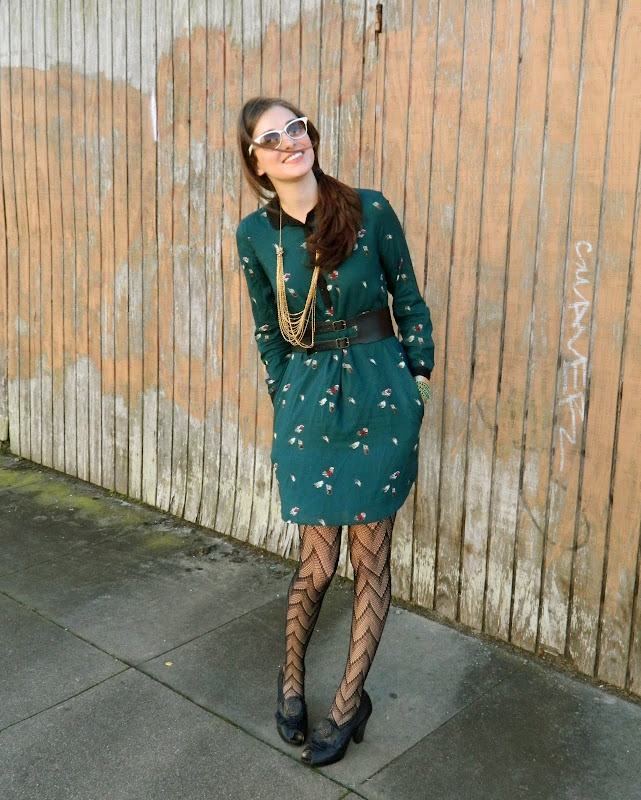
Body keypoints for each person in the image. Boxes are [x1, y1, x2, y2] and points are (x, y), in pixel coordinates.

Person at [236, 96, 434, 767]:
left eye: (296, 128)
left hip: (380, 394)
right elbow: (269, 330)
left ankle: (349, 703)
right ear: (257, 161)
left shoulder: (368, 210)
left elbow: (408, 301)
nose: (289, 141)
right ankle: (291, 681)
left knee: (369, 558)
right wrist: (285, 395)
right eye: (272, 138)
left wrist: (417, 385)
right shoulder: (254, 235)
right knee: (318, 563)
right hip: (309, 401)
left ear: (311, 137)